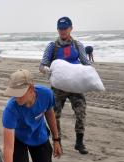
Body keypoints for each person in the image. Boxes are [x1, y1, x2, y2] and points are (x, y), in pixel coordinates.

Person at [39, 17, 91, 154]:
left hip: (75, 87)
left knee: (81, 112)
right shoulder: (52, 46)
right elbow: (42, 65)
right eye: (60, 28)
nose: (63, 31)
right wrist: (46, 70)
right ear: (57, 29)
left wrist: (90, 75)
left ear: (71, 28)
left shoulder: (77, 45)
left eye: (65, 28)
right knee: (54, 115)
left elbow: (86, 63)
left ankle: (79, 143)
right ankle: (58, 142)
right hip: (58, 88)